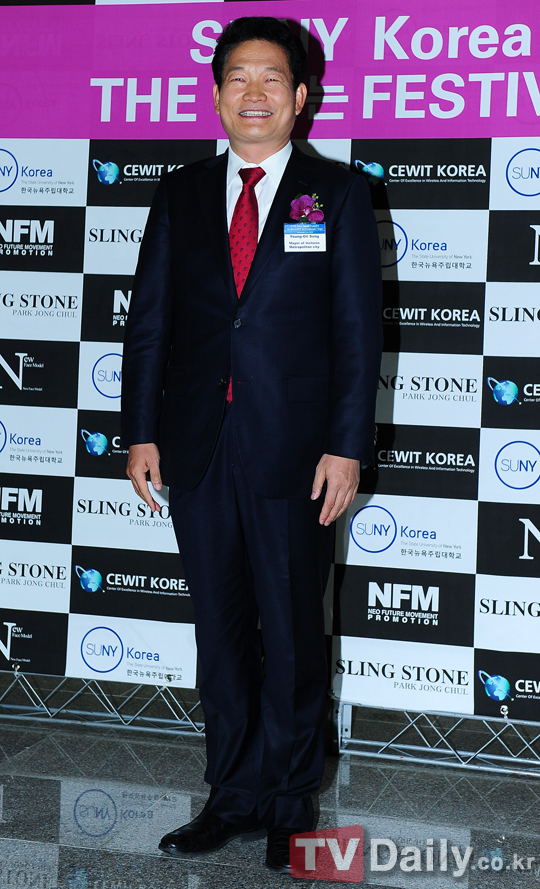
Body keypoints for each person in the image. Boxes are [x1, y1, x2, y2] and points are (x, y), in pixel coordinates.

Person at [121, 15, 382, 874]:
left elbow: (357, 333)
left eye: (272, 78)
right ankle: (231, 794)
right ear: (217, 95)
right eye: (238, 77)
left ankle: (290, 805)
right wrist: (140, 432)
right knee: (220, 630)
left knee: (296, 632)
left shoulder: (337, 193)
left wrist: (346, 446)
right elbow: (148, 325)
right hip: (197, 447)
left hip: (297, 452)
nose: (255, 93)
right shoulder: (180, 193)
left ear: (301, 96)